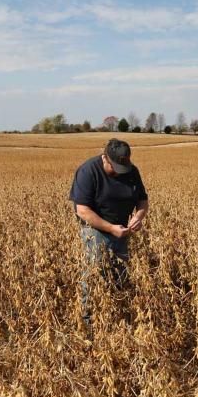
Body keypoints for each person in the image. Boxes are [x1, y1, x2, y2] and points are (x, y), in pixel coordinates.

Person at [68, 139, 149, 331]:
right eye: (115, 168)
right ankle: (89, 324)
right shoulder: (88, 171)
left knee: (120, 274)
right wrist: (111, 228)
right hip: (95, 229)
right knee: (95, 275)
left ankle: (116, 318)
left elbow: (143, 201)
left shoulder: (131, 171)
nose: (119, 172)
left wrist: (138, 217)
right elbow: (82, 210)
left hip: (122, 230)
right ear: (104, 158)